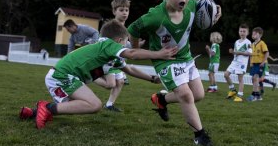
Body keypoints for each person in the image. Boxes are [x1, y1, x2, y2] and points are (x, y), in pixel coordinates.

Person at [19, 19, 178, 129]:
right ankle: (46, 107)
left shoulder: (106, 51)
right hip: (63, 76)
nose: (126, 45)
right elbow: (132, 54)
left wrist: (152, 79)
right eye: (125, 41)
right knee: (94, 105)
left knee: (70, 105)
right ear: (118, 40)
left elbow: (129, 69)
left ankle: (31, 112)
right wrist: (158, 54)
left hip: (59, 76)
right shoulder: (109, 45)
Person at [128, 0, 222, 146]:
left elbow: (213, 6)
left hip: (185, 58)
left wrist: (216, 11)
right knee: (186, 95)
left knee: (198, 95)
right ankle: (200, 136)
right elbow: (133, 29)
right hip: (165, 61)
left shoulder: (193, 6)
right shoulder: (155, 16)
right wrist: (138, 48)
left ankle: (161, 99)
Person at [100, 0, 150, 112]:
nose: (124, 13)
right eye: (121, 10)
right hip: (108, 60)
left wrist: (133, 45)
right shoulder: (111, 27)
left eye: (126, 10)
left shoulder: (125, 28)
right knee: (111, 84)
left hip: (117, 61)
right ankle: (92, 75)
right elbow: (106, 43)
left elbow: (121, 44)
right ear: (114, 11)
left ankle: (109, 105)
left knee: (120, 82)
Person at [224, 24, 252, 102]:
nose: (242, 33)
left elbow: (250, 53)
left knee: (240, 79)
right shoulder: (236, 42)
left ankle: (240, 95)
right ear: (238, 32)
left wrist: (238, 52)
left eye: (244, 31)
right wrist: (232, 52)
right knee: (226, 74)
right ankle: (233, 90)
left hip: (242, 63)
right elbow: (236, 53)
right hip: (234, 62)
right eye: (241, 31)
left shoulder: (248, 42)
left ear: (247, 33)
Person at [247, 27, 269, 101]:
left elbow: (267, 53)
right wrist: (251, 62)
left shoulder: (262, 43)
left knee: (256, 78)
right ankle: (258, 95)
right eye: (252, 34)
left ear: (260, 35)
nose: (253, 35)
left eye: (255, 34)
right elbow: (251, 54)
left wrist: (263, 62)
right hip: (254, 64)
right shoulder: (252, 44)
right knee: (253, 79)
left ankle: (254, 95)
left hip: (260, 64)